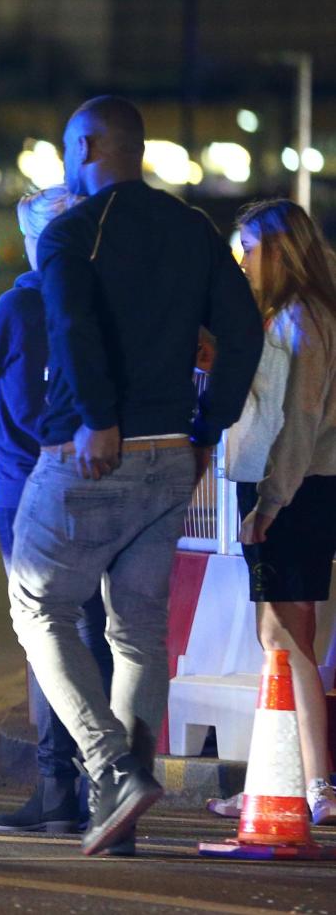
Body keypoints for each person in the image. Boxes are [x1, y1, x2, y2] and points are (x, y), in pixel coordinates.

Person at [6, 95, 263, 855]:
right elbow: (243, 330)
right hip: (172, 457)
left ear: (88, 146)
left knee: (37, 603)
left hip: (89, 451)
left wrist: (95, 415)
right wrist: (208, 427)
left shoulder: (72, 232)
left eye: (64, 149)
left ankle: (109, 768)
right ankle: (120, 807)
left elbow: (71, 327)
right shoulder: (192, 227)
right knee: (139, 632)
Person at [0, 186, 116, 836]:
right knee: (100, 631)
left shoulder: (20, 304)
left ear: (32, 239)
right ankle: (106, 779)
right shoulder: (115, 300)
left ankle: (56, 786)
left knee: (45, 633)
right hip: (107, 477)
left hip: (27, 485)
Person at [219, 199, 336, 826]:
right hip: (292, 486)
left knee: (290, 636)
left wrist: (268, 504)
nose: (243, 264)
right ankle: (279, 776)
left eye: (250, 252)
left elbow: (297, 424)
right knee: (278, 637)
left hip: (296, 488)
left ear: (280, 252)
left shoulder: (302, 320)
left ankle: (315, 782)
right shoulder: (295, 316)